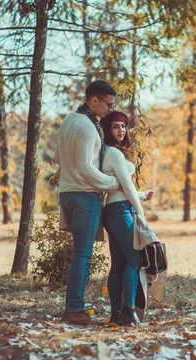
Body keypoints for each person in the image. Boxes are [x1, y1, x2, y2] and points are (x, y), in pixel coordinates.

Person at [55, 80, 120, 325]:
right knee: (83, 254)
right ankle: (74, 310)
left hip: (69, 194)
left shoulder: (69, 120)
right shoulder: (85, 126)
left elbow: (57, 158)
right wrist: (114, 182)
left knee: (79, 253)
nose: (111, 110)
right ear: (95, 100)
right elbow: (85, 168)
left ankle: (73, 307)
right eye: (109, 104)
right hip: (84, 195)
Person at [100, 110, 154, 326]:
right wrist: (140, 212)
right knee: (135, 260)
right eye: (115, 126)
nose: (121, 130)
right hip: (121, 211)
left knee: (120, 263)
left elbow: (121, 187)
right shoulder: (112, 152)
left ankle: (117, 314)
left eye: (123, 126)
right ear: (107, 129)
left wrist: (141, 195)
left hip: (114, 210)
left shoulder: (111, 152)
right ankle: (129, 312)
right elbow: (126, 183)